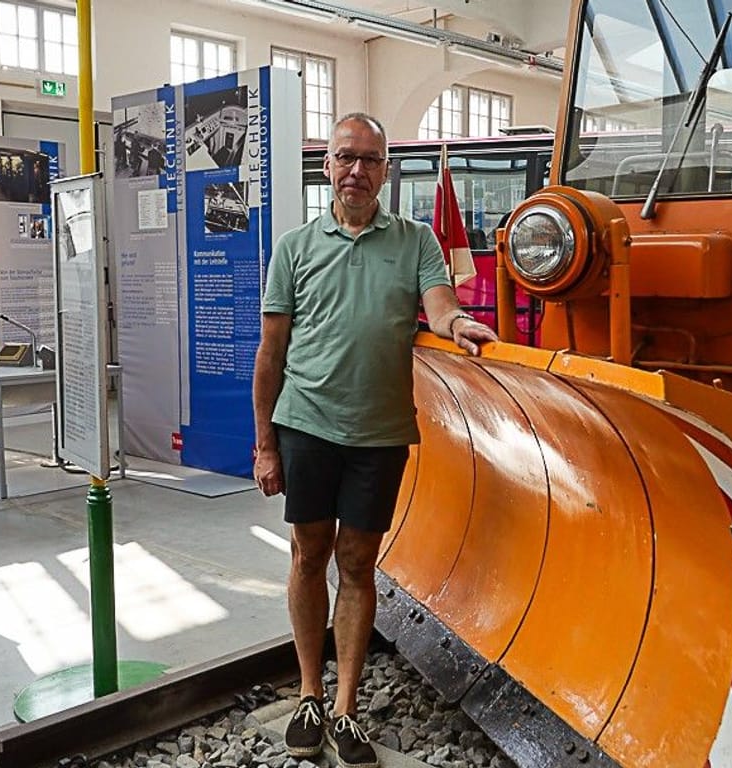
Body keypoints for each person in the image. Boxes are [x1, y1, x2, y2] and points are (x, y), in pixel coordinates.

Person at [253, 112, 497, 768]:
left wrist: (458, 323)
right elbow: (270, 354)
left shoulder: (415, 241)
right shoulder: (294, 248)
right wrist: (265, 444)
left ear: (386, 170)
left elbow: (439, 303)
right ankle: (310, 690)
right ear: (327, 168)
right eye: (345, 158)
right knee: (309, 556)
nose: (357, 170)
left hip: (380, 434)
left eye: (370, 159)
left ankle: (346, 706)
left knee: (358, 562)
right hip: (305, 426)